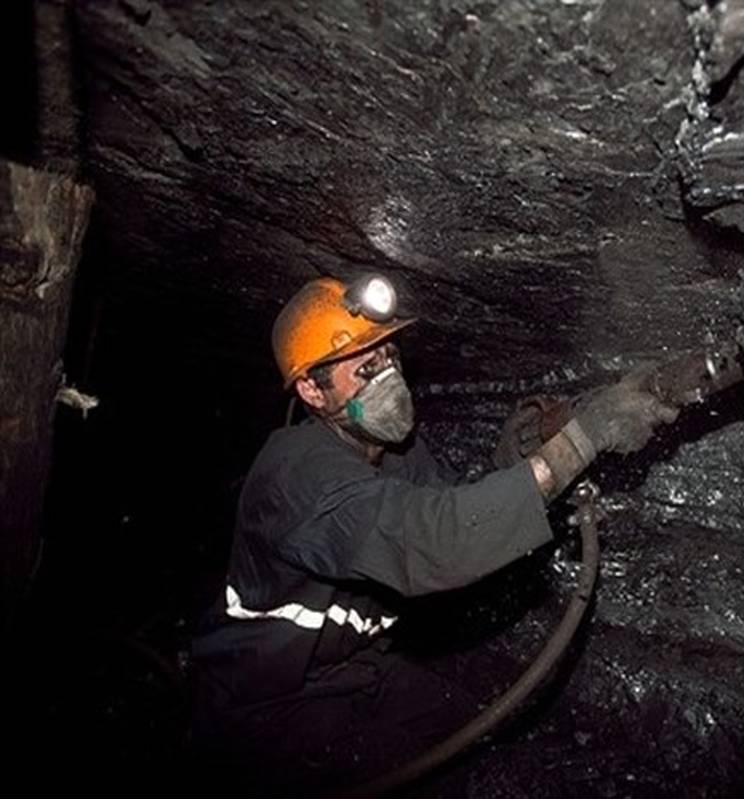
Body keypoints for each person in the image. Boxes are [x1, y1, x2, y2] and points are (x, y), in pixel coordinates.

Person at [189, 273, 677, 794]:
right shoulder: (295, 473)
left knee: (472, 736)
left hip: (360, 670)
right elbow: (433, 543)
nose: (388, 376)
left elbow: (453, 512)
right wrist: (582, 442)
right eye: (365, 367)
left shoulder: (395, 454)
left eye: (390, 356)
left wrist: (513, 460)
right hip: (268, 707)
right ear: (312, 389)